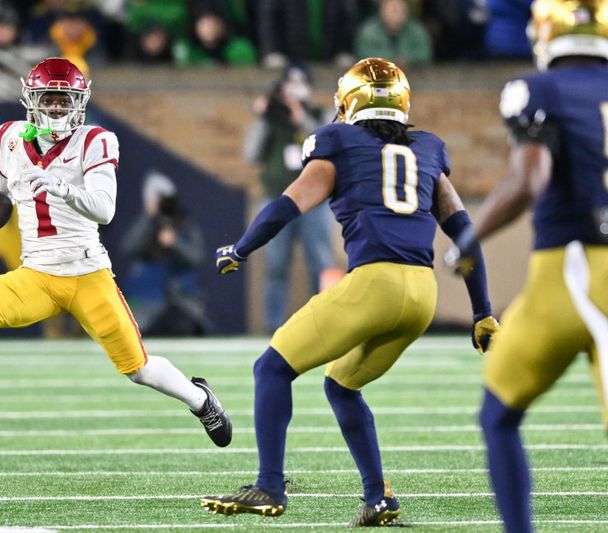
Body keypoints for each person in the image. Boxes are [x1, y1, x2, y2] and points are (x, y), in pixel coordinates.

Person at [201, 57, 500, 525]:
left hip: (373, 284)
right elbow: (465, 234)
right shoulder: (428, 148)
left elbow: (286, 205)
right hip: (423, 296)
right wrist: (483, 310)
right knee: (342, 385)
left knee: (271, 369)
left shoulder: (337, 142)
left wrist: (240, 249)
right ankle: (379, 498)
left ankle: (269, 485)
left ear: (347, 102)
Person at [0, 58, 231, 450]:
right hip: (38, 273)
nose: (57, 108)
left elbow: (104, 209)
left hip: (86, 272)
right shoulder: (8, 138)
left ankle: (200, 400)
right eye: (50, 99)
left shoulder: (95, 140)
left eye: (65, 100)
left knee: (138, 369)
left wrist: (60, 186)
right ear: (32, 100)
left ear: (79, 102)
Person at [445, 1, 608, 531]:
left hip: (573, 270)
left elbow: (530, 180)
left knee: (498, 415)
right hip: (573, 275)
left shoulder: (538, 89)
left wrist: (467, 237)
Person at [243, 64, 336, 333]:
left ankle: (327, 323)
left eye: (300, 84)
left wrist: (301, 118)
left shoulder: (321, 115)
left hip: (315, 203)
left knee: (322, 264)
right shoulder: (272, 120)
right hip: (277, 200)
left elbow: (327, 145)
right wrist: (263, 116)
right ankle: (274, 326)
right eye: (290, 85)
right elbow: (251, 154)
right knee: (275, 265)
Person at [120, 171, 209, 336]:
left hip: (181, 301)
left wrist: (174, 243)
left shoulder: (185, 225)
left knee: (186, 325)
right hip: (147, 303)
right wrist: (149, 217)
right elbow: (130, 248)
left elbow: (195, 257)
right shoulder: (145, 225)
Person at [355, 0, 433, 69]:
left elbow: (425, 53)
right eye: (390, 7)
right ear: (381, 9)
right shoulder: (368, 32)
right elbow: (364, 54)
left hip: (414, 76)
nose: (395, 10)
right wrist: (392, 61)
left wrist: (407, 60)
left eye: (399, 7)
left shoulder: (417, 30)